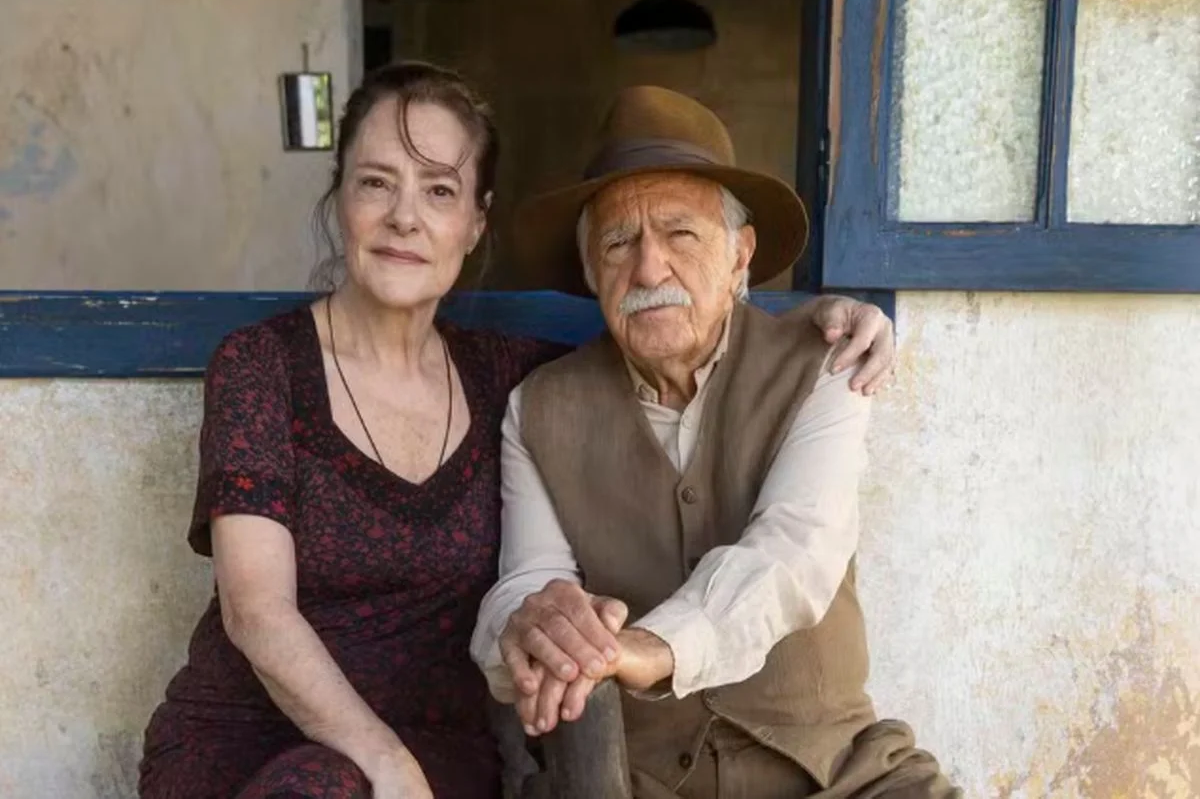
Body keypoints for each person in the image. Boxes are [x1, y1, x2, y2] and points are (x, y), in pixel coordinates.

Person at [138, 62, 897, 799]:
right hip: (268, 742)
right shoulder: (271, 366)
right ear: (342, 200)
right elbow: (258, 610)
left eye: (440, 190)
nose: (405, 217)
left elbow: (782, 527)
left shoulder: (506, 377)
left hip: (446, 754)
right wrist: (391, 757)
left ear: (475, 222)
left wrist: (830, 318)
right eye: (376, 183)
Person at [471, 86, 959, 798]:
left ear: (740, 256)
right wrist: (536, 626)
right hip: (638, 781)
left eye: (681, 235)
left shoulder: (825, 364)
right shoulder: (539, 407)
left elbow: (796, 549)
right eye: (618, 242)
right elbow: (529, 577)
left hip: (839, 775)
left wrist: (652, 647)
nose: (648, 270)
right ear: (591, 271)